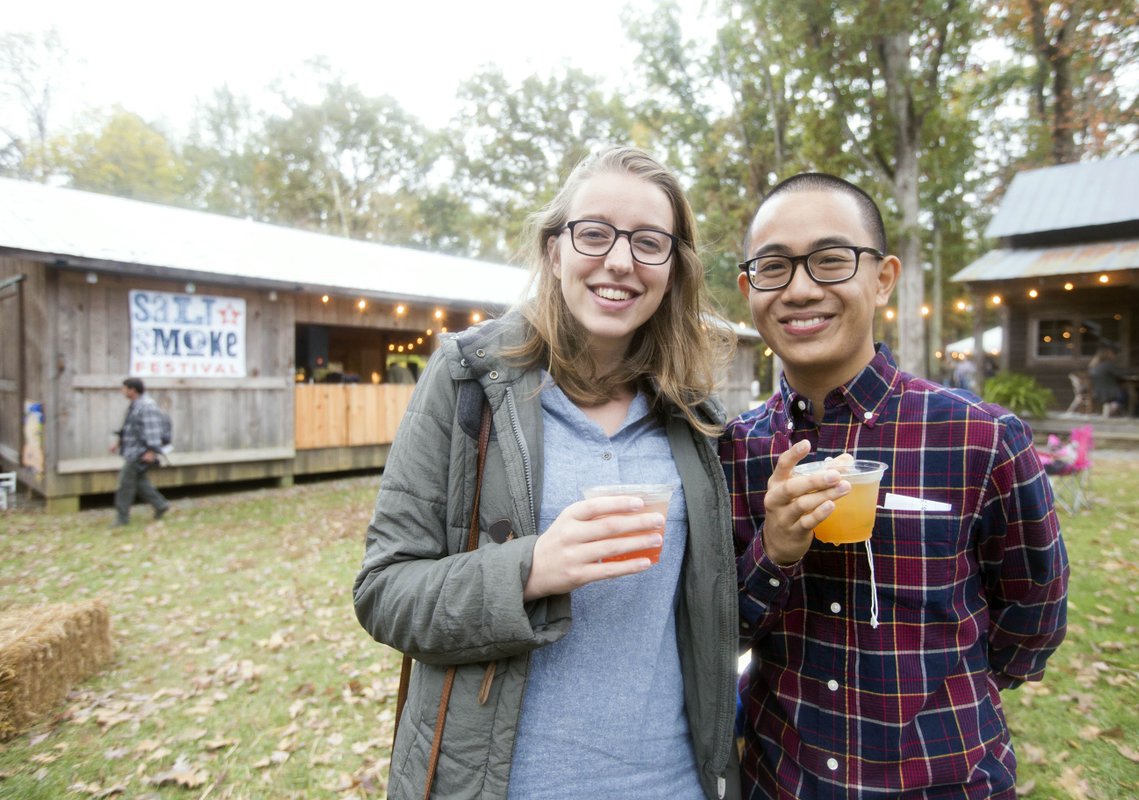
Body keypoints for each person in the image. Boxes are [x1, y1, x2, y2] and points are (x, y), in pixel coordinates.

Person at [353, 146, 741, 800]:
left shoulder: (695, 420)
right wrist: (529, 571)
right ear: (554, 250)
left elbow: (716, 612)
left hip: (673, 785)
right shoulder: (469, 379)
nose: (620, 260)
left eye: (650, 242)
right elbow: (384, 590)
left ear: (674, 270)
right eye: (594, 233)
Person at [720, 172, 1069, 799]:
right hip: (781, 780)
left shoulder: (980, 437)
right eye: (774, 268)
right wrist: (773, 555)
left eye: (830, 261)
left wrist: (947, 693)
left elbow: (1033, 619)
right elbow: (722, 632)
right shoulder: (735, 450)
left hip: (945, 779)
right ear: (749, 289)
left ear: (882, 277)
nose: (800, 289)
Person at [109, 377, 169, 526]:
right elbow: (130, 429)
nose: (122, 391)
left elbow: (153, 430)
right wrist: (118, 443)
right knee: (140, 482)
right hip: (132, 450)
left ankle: (121, 518)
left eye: (124, 388)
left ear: (132, 390)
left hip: (140, 452)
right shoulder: (135, 405)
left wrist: (151, 451)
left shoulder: (147, 406)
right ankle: (161, 505)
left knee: (125, 484)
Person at [1088, 346, 1125, 416]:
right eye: (1112, 353)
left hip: (1096, 392)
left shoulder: (1094, 366)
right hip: (1109, 393)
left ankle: (1111, 408)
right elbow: (1121, 373)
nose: (1114, 355)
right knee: (1125, 395)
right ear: (1107, 355)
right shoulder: (1107, 365)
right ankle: (1113, 408)